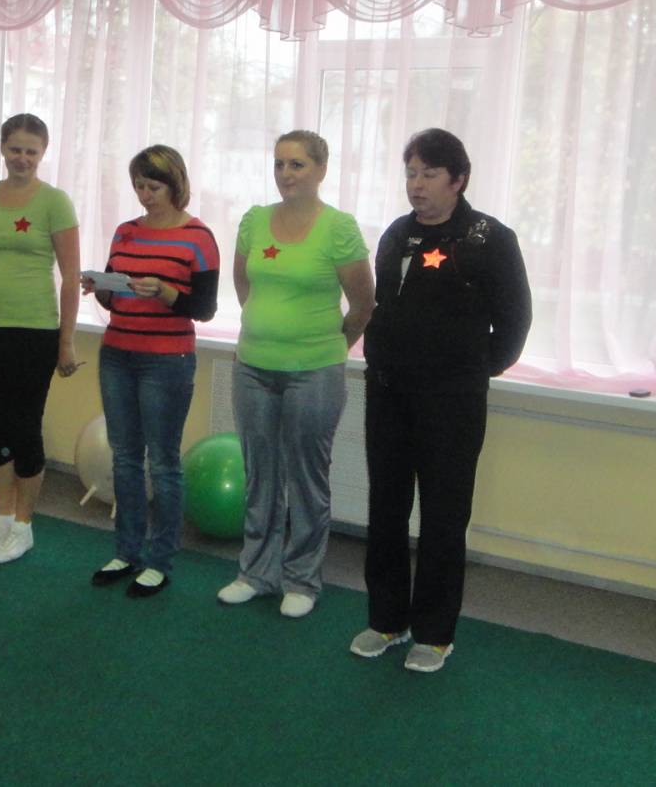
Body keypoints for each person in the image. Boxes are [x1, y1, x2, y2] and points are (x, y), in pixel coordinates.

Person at [351, 128, 531, 673]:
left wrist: (473, 370)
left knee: (443, 517)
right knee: (385, 508)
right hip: (389, 393)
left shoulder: (489, 238)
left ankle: (434, 634)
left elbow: (515, 321)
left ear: (458, 179)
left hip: (452, 402)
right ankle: (387, 620)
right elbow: (383, 305)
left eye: (429, 174)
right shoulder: (396, 234)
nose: (416, 185)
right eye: (410, 173)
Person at [216, 130, 374, 618]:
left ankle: (302, 580)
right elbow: (244, 286)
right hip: (253, 368)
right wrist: (267, 330)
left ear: (321, 170)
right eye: (280, 163)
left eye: (297, 164)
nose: (286, 173)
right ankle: (256, 573)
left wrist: (328, 347)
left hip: (315, 371)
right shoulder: (254, 221)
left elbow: (363, 303)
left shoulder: (338, 228)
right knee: (260, 474)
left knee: (307, 479)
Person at [81, 145, 220, 598]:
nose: (145, 195)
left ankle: (159, 560)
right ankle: (127, 551)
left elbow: (204, 308)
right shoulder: (126, 231)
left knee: (162, 462)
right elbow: (114, 296)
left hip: (167, 360)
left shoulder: (198, 237)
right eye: (139, 186)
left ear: (175, 184)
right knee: (124, 457)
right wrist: (100, 288)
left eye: (153, 186)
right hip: (117, 353)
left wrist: (165, 292)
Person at [0, 113, 82, 565]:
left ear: (43, 153)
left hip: (35, 332)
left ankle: (24, 526)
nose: (22, 158)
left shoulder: (54, 202)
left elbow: (70, 278)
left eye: (31, 151)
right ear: (2, 148)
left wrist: (66, 341)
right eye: (15, 149)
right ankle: (2, 518)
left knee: (25, 428)